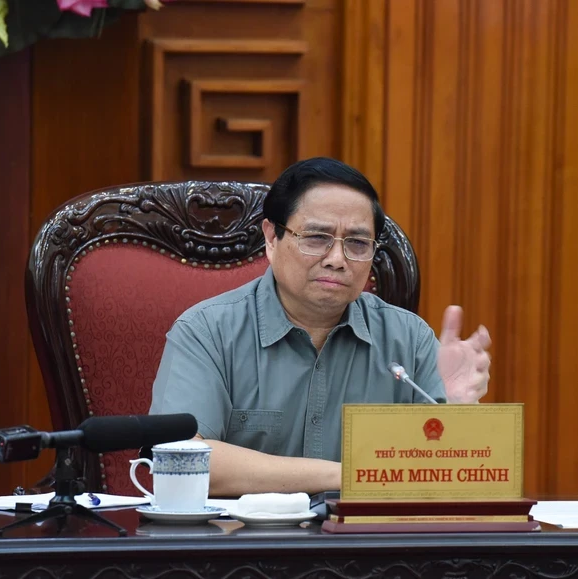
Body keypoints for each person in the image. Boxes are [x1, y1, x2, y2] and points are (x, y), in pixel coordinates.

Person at [149, 157, 491, 497]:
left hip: (369, 547)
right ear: (271, 237)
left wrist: (459, 412)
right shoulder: (206, 331)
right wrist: (351, 476)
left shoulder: (408, 339)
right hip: (239, 545)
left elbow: (452, 480)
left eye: (357, 244)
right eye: (316, 237)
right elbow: (180, 461)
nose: (337, 259)